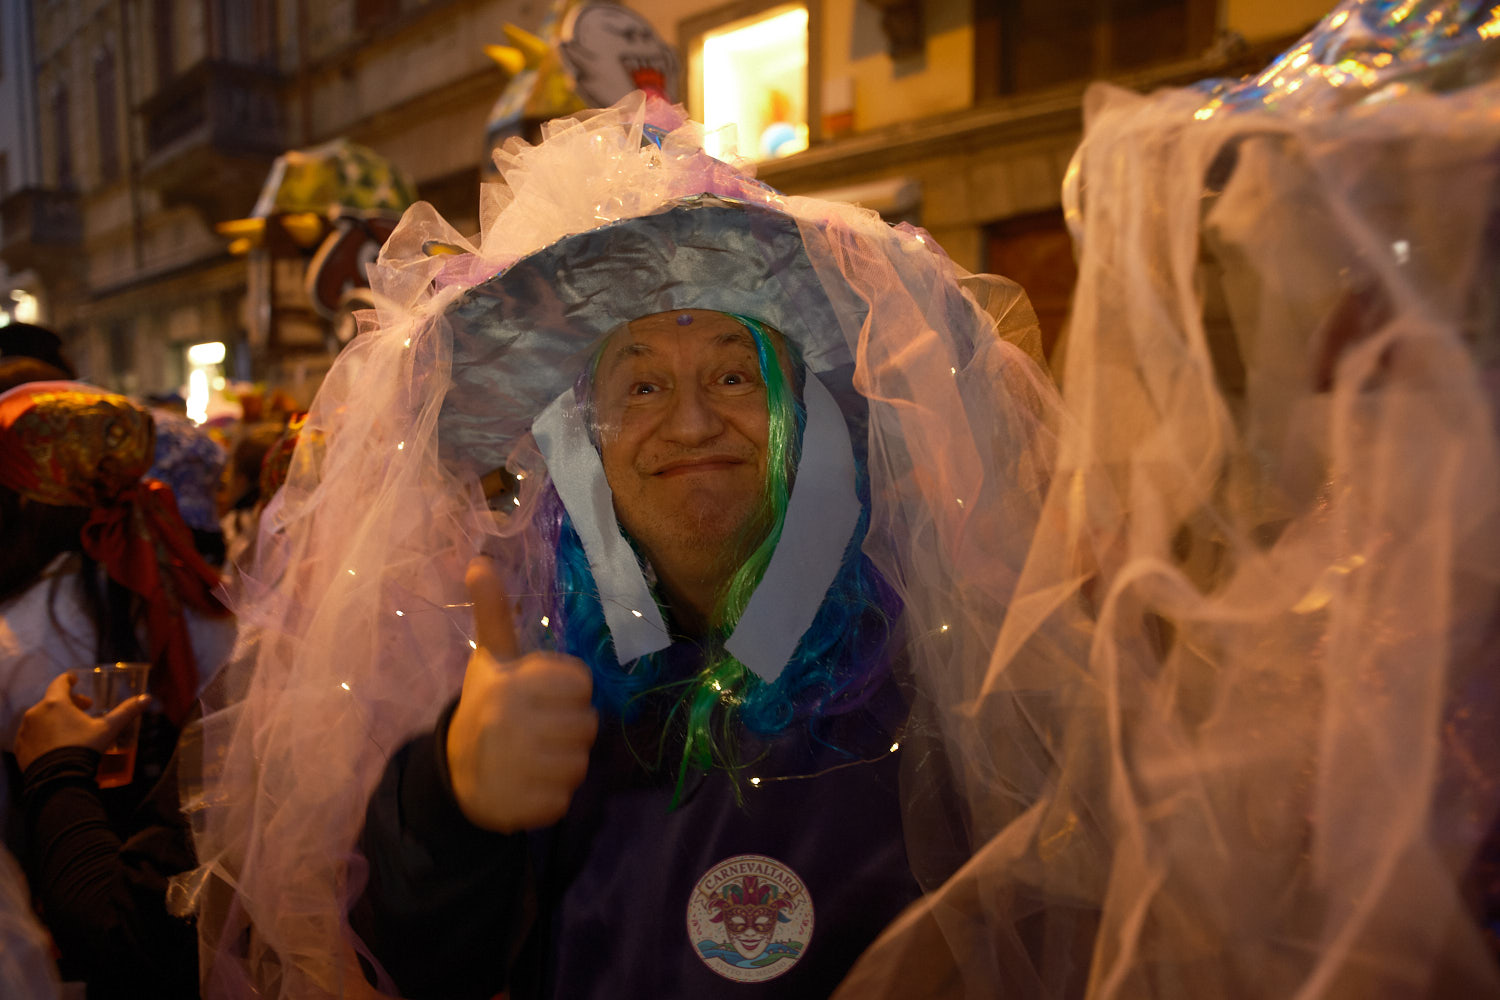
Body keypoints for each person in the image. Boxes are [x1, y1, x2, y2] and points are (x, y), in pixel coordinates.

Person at [180, 94, 1079, 1000]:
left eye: (735, 374)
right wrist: (452, 804)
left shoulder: (952, 680)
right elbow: (427, 970)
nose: (690, 424)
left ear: (806, 418)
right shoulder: (526, 682)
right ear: (583, 444)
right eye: (642, 388)